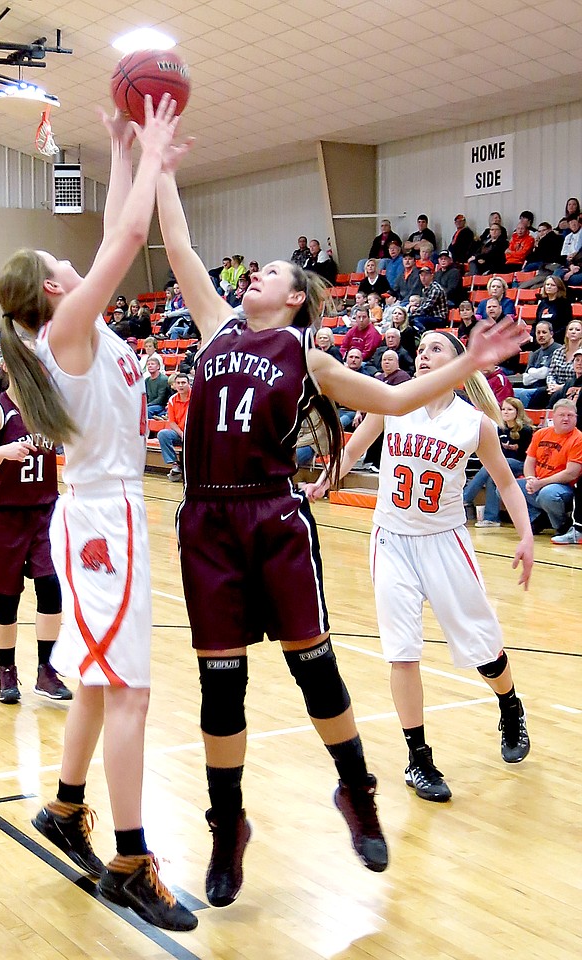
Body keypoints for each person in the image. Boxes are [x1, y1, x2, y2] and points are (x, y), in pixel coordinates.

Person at [156, 130, 529, 905]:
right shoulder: (216, 323)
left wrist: (467, 364)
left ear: (293, 296)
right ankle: (229, 826)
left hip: (271, 517)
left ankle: (357, 790)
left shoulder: (309, 354)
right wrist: (158, 163)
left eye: (267, 272)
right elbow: (178, 241)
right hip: (205, 522)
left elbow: (393, 401)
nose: (249, 273)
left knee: (313, 668)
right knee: (220, 691)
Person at [0, 95, 197, 932]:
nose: (78, 261)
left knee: (94, 679)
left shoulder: (75, 328)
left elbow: (118, 225)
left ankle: (65, 805)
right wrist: (153, 154)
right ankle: (131, 859)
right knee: (131, 697)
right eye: (60, 259)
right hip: (102, 522)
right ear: (53, 286)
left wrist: (121, 148)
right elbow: (121, 242)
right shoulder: (69, 330)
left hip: (101, 516)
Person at [307, 330, 533, 802]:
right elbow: (351, 449)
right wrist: (328, 478)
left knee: (483, 645)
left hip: (445, 542)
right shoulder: (391, 404)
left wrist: (527, 536)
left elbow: (508, 485)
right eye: (423, 348)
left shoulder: (475, 424)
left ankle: (509, 705)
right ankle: (418, 758)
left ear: (457, 365)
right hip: (391, 539)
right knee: (402, 650)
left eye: (437, 349)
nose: (425, 355)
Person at [0, 370, 71, 704]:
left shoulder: (48, 408)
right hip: (5, 514)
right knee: (7, 597)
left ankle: (46, 669)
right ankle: (7, 672)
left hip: (44, 513)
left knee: (51, 588)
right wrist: (2, 453)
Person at [463, 397, 535, 526]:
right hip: (504, 463)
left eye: (509, 409)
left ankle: (465, 497)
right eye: (503, 409)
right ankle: (492, 518)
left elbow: (526, 456)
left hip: (520, 464)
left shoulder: (525, 430)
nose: (505, 412)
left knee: (491, 467)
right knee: (493, 478)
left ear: (517, 412)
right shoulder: (500, 428)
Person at [517, 398, 582, 534]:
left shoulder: (578, 438)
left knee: (547, 494)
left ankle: (561, 526)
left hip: (563, 487)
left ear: (576, 418)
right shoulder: (541, 433)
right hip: (539, 481)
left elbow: (571, 473)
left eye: (570, 415)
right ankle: (539, 518)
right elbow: (529, 461)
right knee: (508, 488)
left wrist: (540, 483)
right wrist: (530, 479)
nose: (566, 419)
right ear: (553, 416)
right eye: (561, 415)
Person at [514, 320, 559, 407]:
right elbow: (525, 380)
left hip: (546, 388)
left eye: (544, 332)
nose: (541, 335)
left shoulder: (557, 350)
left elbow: (544, 373)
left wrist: (532, 371)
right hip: (532, 387)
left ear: (551, 334)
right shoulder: (535, 353)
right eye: (538, 332)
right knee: (511, 391)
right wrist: (537, 373)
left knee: (523, 394)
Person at [158, 372, 191, 481]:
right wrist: (182, 434)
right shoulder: (172, 400)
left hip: (193, 433)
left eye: (183, 383)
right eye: (178, 383)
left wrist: (187, 434)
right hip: (179, 433)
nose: (181, 385)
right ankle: (175, 464)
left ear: (188, 384)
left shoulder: (196, 397)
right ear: (175, 385)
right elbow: (172, 422)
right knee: (163, 434)